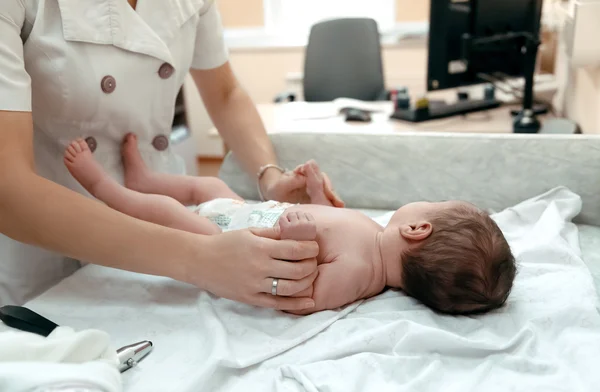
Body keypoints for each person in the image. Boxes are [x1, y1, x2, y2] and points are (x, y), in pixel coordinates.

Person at [0, 0, 343, 308]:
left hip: (166, 200)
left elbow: (225, 94)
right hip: (55, 228)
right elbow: (9, 188)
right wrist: (200, 258)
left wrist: (271, 179)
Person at [65, 136, 517, 315]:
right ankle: (145, 178)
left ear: (418, 229)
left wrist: (298, 237)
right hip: (245, 214)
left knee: (165, 214)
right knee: (208, 184)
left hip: (228, 241)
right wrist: (316, 195)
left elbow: (302, 295)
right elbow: (329, 225)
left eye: (435, 203)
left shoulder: (362, 274)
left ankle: (104, 187)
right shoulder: (370, 233)